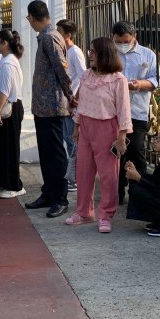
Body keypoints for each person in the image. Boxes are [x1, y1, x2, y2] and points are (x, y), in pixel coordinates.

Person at [64, 38, 131, 233]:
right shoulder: (86, 76)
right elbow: (81, 103)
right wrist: (76, 126)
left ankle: (106, 215)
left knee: (108, 175)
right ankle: (84, 212)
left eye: (93, 51)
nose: (90, 55)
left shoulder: (118, 79)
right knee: (83, 171)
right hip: (85, 127)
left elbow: (124, 110)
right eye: (90, 50)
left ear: (105, 54)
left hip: (107, 128)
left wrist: (121, 136)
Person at [24, 0, 75, 219]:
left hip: (53, 104)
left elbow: (62, 69)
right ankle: (49, 192)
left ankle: (60, 198)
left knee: (55, 153)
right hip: (43, 105)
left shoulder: (50, 37)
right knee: (46, 152)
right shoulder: (46, 37)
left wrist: (70, 95)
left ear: (32, 18)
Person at [112, 20, 159, 204]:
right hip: (113, 112)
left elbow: (155, 81)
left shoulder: (147, 55)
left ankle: (139, 193)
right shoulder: (110, 53)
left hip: (137, 112)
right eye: (118, 41)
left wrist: (139, 85)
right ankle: (117, 192)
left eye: (126, 41)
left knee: (136, 152)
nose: (122, 45)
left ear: (134, 37)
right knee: (115, 153)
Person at [0, 29, 25, 198]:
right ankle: (0, 181)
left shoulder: (8, 63)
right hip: (6, 106)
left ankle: (14, 185)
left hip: (9, 108)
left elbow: (5, 90)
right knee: (0, 148)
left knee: (9, 148)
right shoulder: (6, 61)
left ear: (4, 43)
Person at [57, 19, 87, 193]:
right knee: (66, 140)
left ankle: (74, 178)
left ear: (68, 35)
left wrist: (75, 98)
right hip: (64, 103)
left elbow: (84, 77)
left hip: (72, 104)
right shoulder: (63, 51)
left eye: (60, 31)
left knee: (71, 141)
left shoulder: (75, 53)